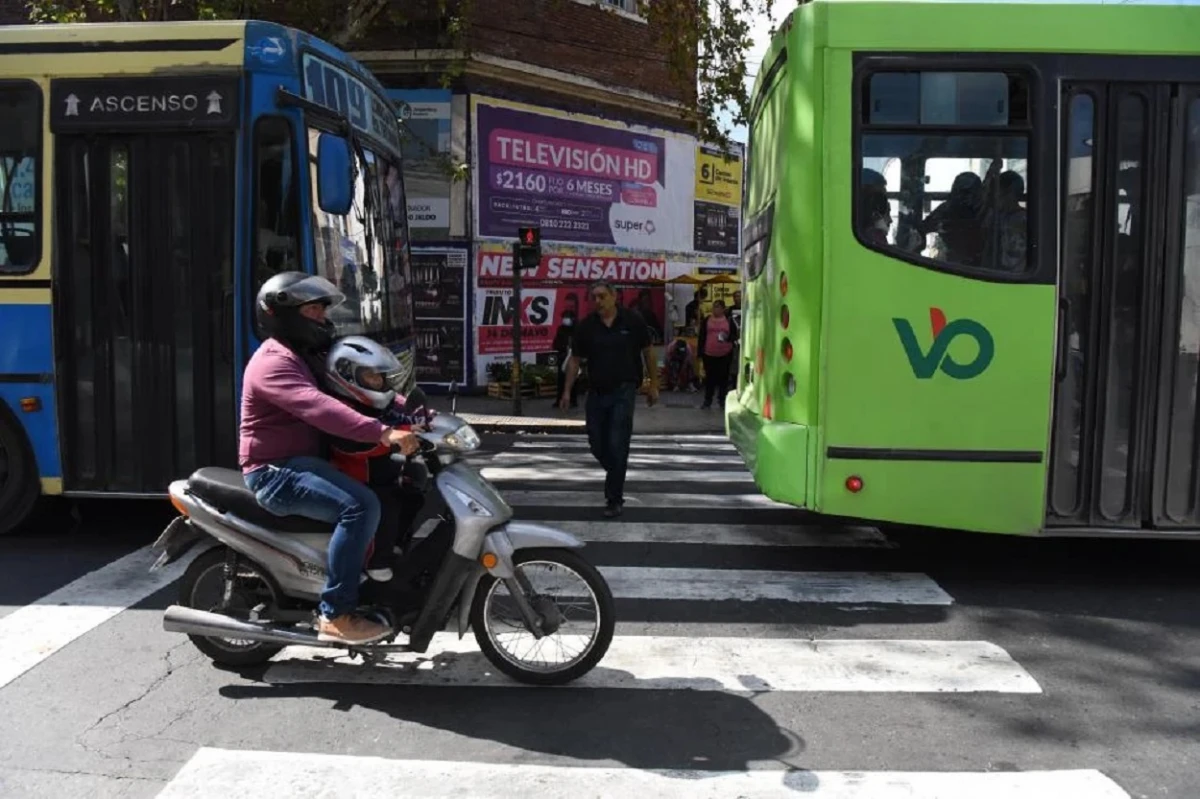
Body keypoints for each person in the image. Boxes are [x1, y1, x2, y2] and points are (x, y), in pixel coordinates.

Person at [239, 272, 419, 646]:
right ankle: (335, 613)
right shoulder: (274, 363)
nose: (322, 319)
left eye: (323, 311)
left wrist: (417, 415)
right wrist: (382, 432)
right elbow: (320, 408)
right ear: (282, 314)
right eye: (313, 311)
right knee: (359, 506)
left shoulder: (307, 355)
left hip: (307, 462)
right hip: (275, 471)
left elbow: (362, 387)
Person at [321, 336, 430, 584]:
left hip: (385, 473)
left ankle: (394, 546)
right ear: (347, 377)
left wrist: (424, 417)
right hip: (358, 479)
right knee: (383, 504)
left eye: (380, 377)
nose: (379, 382)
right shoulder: (343, 411)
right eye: (371, 376)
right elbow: (357, 445)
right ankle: (374, 562)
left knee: (414, 493)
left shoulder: (371, 403)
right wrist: (394, 436)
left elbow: (398, 408)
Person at [559, 280, 659, 517]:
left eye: (602, 296)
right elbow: (575, 361)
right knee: (596, 442)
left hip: (624, 389)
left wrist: (654, 384)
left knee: (617, 441)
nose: (598, 301)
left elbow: (648, 352)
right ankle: (615, 471)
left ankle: (614, 498)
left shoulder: (632, 321)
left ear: (614, 297)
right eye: (594, 297)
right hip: (596, 391)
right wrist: (566, 391)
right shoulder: (587, 326)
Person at [697, 299, 738, 410]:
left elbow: (734, 335)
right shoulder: (707, 320)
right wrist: (700, 352)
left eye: (718, 307)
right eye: (714, 307)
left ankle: (722, 400)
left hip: (725, 353)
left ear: (723, 309)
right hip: (709, 352)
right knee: (710, 378)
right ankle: (707, 400)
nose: (716, 309)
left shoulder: (729, 320)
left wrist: (727, 337)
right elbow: (702, 336)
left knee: (723, 378)